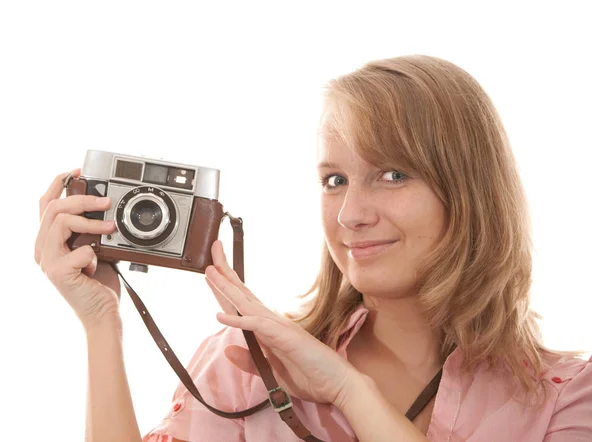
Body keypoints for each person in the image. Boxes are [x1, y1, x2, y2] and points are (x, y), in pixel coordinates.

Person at [35, 54, 592, 442]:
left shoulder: (564, 398)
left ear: (470, 190)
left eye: (393, 174)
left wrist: (351, 392)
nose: (351, 214)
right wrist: (101, 323)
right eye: (335, 180)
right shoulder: (246, 366)